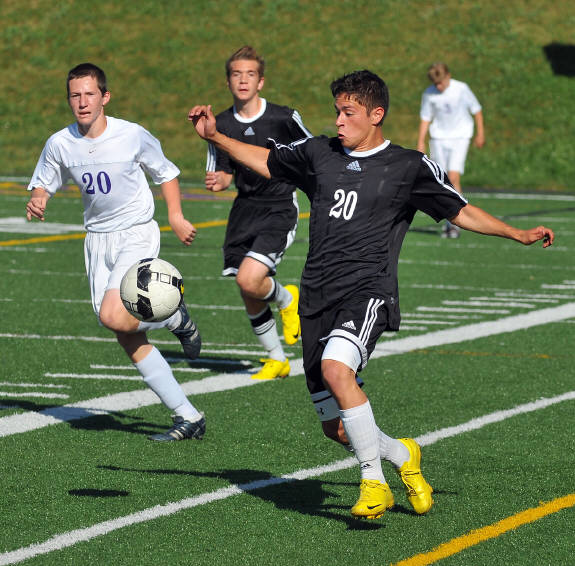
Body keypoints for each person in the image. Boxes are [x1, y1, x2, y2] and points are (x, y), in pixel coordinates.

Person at [188, 70, 553, 520]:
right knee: (335, 428)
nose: (339, 121)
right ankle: (402, 455)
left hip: (368, 292)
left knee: (336, 369)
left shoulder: (408, 166)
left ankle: (373, 483)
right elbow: (268, 161)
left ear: (376, 114)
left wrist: (516, 233)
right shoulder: (319, 152)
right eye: (337, 112)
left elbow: (459, 210)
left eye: (349, 112)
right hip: (316, 297)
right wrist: (216, 136)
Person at [26, 63, 205, 442]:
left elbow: (166, 172)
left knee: (114, 314)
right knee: (123, 331)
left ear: (104, 97)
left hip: (136, 233)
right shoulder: (60, 142)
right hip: (98, 241)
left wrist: (175, 216)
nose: (82, 102)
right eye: (75, 95)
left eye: (89, 94)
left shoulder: (131, 135)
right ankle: (188, 415)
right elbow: (44, 181)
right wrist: (39, 199)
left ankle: (172, 315)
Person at [204, 46, 312, 380]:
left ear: (261, 81)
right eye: (236, 74)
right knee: (247, 288)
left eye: (250, 74)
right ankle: (277, 359)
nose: (243, 80)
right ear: (227, 82)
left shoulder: (283, 118)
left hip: (279, 206)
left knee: (249, 279)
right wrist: (219, 181)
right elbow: (223, 171)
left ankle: (287, 298)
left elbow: (313, 152)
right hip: (244, 209)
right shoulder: (220, 123)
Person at [417, 62, 485, 238]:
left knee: (454, 178)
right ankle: (450, 222)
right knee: (441, 180)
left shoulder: (461, 89)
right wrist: (421, 141)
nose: (439, 86)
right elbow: (426, 118)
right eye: (436, 84)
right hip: (438, 138)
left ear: (448, 76)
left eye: (441, 82)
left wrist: (480, 133)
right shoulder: (429, 94)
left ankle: (456, 224)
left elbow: (476, 110)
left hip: (460, 137)